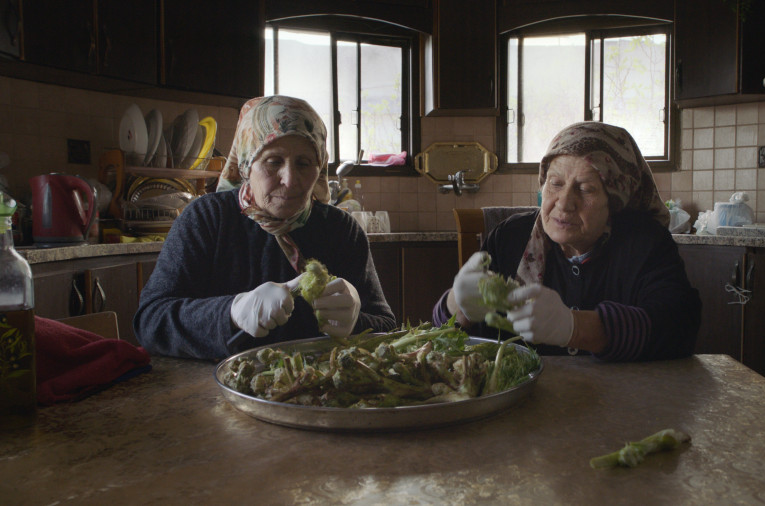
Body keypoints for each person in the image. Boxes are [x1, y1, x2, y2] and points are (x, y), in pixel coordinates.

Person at [134, 96, 396, 360]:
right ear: (247, 165)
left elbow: (386, 327)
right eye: (273, 161)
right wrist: (232, 312)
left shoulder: (341, 230)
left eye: (304, 163)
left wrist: (355, 322)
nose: (290, 179)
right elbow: (150, 321)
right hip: (215, 389)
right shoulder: (208, 219)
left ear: (319, 169)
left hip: (319, 390)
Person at [433, 121, 701, 361]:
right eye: (555, 183)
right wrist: (455, 306)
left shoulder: (644, 242)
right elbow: (441, 340)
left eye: (585, 189)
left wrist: (575, 327)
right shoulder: (508, 237)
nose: (564, 203)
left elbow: (678, 328)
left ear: (616, 199)